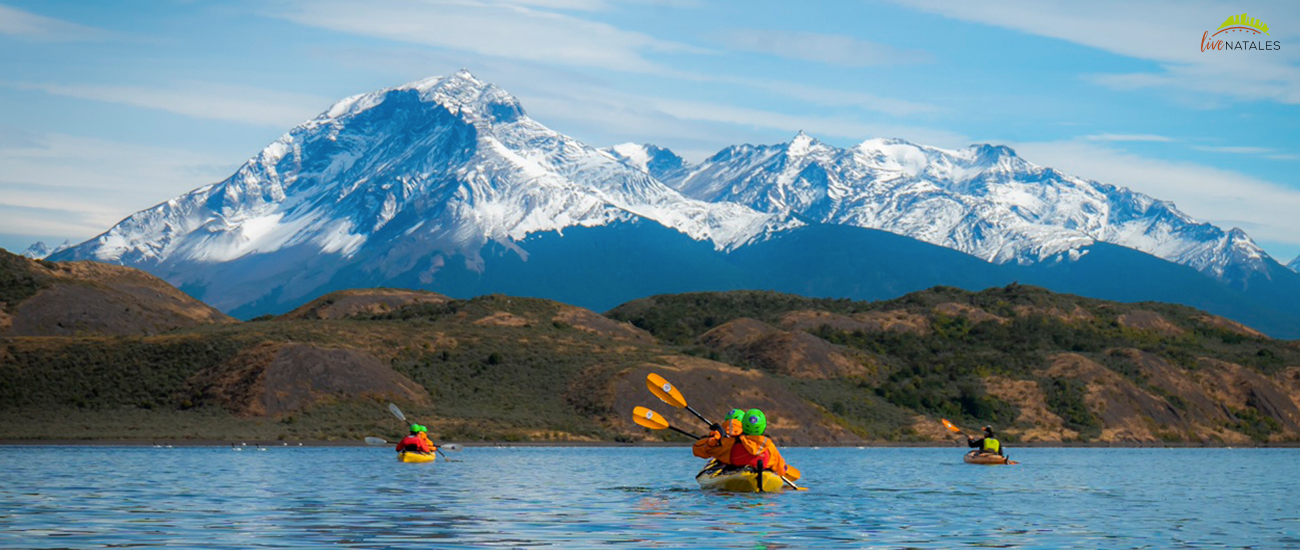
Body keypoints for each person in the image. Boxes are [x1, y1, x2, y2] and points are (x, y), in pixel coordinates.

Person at [692, 408, 788, 476]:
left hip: (734, 468)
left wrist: (713, 441)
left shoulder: (729, 442)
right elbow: (781, 468)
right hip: (759, 470)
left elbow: (701, 450)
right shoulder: (769, 445)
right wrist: (781, 470)